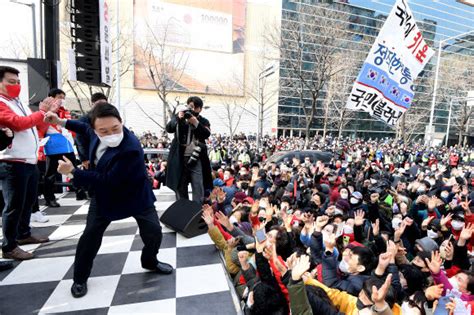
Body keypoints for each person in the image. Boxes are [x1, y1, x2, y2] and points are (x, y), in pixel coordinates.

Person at [44, 103, 172, 298]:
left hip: (134, 194)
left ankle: (150, 261)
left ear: (121, 122)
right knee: (90, 237)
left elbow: (108, 180)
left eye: (115, 128)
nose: (111, 134)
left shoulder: (130, 149)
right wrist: (61, 122)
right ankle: (80, 278)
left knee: (153, 232)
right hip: (104, 196)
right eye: (103, 131)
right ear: (96, 129)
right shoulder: (94, 129)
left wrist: (72, 171)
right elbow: (84, 127)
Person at [0, 65, 57, 260]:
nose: (16, 85)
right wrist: (40, 113)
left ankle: (23, 234)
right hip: (12, 161)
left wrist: (45, 115)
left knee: (28, 201)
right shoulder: (1, 103)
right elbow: (17, 123)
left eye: (18, 82)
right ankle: (8, 246)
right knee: (14, 205)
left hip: (29, 160)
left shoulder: (18, 102)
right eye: (11, 81)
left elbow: (35, 126)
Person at [40, 88, 86, 206]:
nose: (62, 100)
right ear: (52, 98)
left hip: (67, 145)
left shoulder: (65, 111)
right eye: (60, 97)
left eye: (63, 97)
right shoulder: (44, 111)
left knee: (73, 169)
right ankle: (49, 198)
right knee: (51, 174)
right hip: (53, 146)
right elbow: (41, 127)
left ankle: (79, 191)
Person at [165, 96, 212, 203]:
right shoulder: (180, 116)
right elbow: (169, 128)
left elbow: (206, 134)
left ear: (199, 109)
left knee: (198, 186)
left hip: (196, 157)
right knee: (180, 186)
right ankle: (183, 212)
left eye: (194, 107)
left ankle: (197, 212)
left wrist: (196, 122)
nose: (190, 110)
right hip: (180, 158)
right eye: (189, 106)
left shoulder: (203, 121)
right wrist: (177, 118)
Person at [75, 92, 108, 172]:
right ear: (92, 104)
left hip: (106, 156)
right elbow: (80, 141)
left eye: (104, 104)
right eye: (98, 104)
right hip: (90, 158)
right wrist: (85, 159)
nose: (101, 107)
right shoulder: (84, 120)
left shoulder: (108, 118)